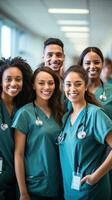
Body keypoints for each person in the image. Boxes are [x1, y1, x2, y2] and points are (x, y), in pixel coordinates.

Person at [59, 65, 112, 200]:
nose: (72, 89)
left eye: (78, 84)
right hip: (70, 191)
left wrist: (95, 177)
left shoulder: (95, 114)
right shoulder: (66, 118)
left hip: (92, 192)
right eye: (68, 84)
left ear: (86, 86)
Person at [12, 67, 64, 200]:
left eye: (51, 83)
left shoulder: (60, 112)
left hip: (60, 183)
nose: (47, 87)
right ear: (33, 86)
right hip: (34, 186)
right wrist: (23, 192)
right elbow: (18, 154)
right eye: (41, 83)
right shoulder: (24, 114)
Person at [0, 57, 33, 200]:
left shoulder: (23, 109)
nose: (13, 83)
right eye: (8, 79)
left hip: (17, 180)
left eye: (18, 79)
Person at [78, 47, 112, 120]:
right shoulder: (75, 91)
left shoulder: (110, 90)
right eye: (87, 63)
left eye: (96, 62)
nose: (92, 66)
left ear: (102, 64)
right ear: (81, 66)